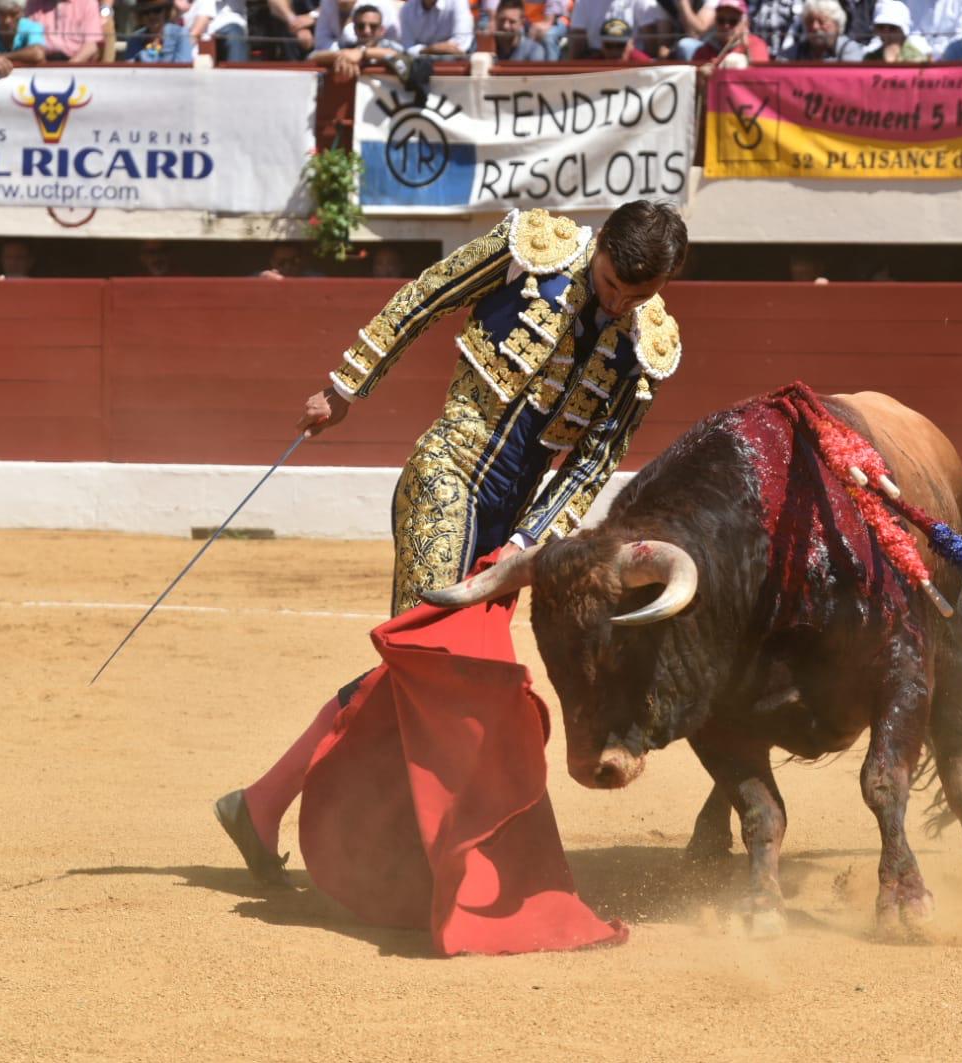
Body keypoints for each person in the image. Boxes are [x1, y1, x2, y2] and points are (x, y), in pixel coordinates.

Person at [213, 202, 689, 887]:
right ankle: (375, 836)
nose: (618, 303)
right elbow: (422, 297)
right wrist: (345, 387)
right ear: (601, 246)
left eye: (636, 295)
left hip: (514, 527)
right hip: (448, 472)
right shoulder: (535, 248)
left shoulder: (647, 344)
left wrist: (530, 543)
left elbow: (594, 460)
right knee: (424, 662)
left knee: (438, 674)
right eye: (612, 282)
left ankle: (268, 806)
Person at [314, 1, 400, 73]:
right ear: (354, 29)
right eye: (361, 26)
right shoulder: (349, 47)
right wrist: (344, 56)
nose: (367, 31)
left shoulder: (389, 46)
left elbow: (398, 56)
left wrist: (362, 53)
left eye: (373, 26)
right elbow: (314, 56)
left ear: (382, 30)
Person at [690, 0, 769, 63]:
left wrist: (746, 51)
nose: (726, 26)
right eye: (721, 20)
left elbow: (759, 76)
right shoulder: (704, 51)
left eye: (733, 21)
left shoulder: (755, 45)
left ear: (745, 24)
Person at [782, 0, 864, 57]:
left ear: (837, 25)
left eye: (822, 22)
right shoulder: (795, 52)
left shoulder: (849, 50)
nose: (815, 27)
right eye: (809, 21)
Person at [22, 0, 99, 59]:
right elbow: (24, 41)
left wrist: (66, 68)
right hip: (40, 64)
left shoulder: (88, 3)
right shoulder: (33, 3)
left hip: (75, 64)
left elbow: (91, 47)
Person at [396, 0, 473, 53]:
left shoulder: (458, 2)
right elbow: (407, 47)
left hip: (457, 63)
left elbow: (461, 43)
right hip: (422, 64)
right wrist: (431, 49)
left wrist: (429, 50)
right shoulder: (407, 10)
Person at [122, 0, 190, 57]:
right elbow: (131, 69)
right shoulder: (135, 39)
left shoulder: (181, 35)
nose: (152, 16)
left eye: (157, 10)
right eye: (146, 12)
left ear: (166, 12)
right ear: (141, 16)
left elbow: (183, 68)